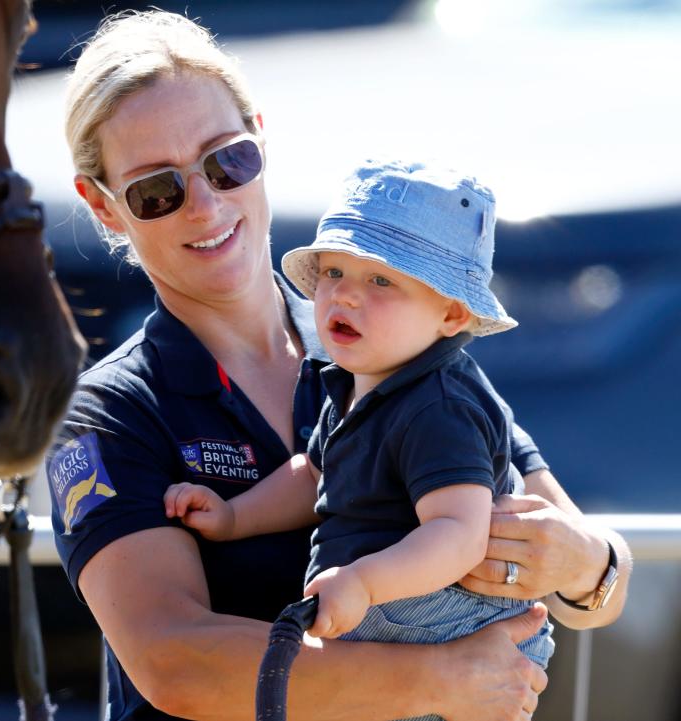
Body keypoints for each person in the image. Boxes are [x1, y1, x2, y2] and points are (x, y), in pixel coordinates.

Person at [45, 10, 631, 721]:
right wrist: (437, 677)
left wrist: (585, 564)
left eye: (228, 160)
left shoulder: (395, 342)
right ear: (103, 207)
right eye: (156, 191)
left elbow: (599, 584)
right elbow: (177, 661)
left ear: (260, 136)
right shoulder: (108, 413)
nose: (206, 204)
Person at [162, 161, 555, 683]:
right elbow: (316, 476)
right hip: (384, 611)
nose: (345, 295)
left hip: (440, 617)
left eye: (380, 280)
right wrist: (235, 516)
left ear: (453, 315)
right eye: (333, 273)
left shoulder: (438, 405)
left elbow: (458, 533)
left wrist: (364, 583)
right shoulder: (356, 382)